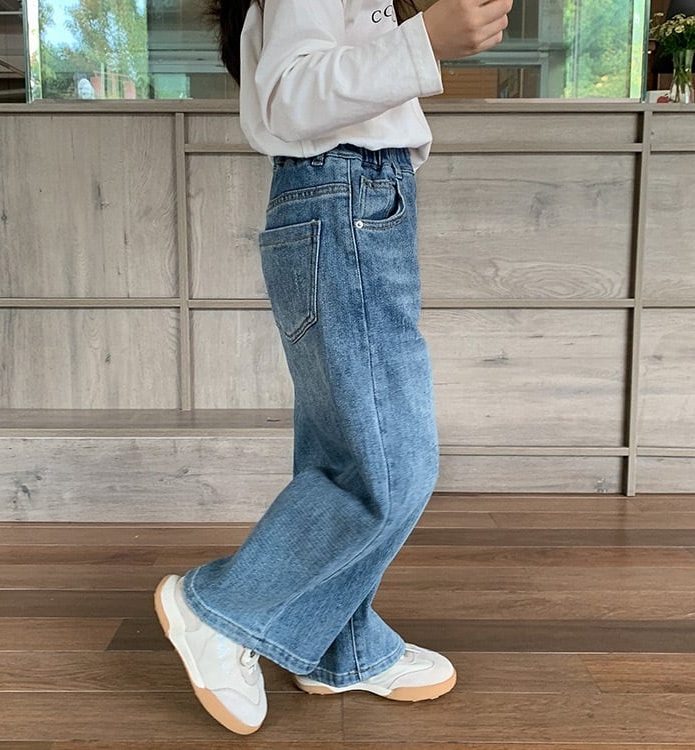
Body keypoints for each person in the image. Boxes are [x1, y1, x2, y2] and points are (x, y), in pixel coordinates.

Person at [154, 0, 512, 735]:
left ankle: (338, 649)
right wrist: (425, 40)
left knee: (346, 450)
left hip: (351, 196)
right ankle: (221, 608)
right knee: (393, 464)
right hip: (346, 194)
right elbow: (290, 94)